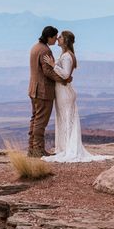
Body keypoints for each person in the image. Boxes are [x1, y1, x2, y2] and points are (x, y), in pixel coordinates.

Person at [42, 30, 114, 163]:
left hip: (65, 93)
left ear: (66, 41)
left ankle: (70, 149)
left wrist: (53, 66)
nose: (58, 38)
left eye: (60, 37)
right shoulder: (64, 55)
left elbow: (66, 75)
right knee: (63, 119)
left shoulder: (67, 57)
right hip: (61, 91)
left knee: (67, 119)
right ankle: (64, 148)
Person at [27, 26, 70, 157]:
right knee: (41, 121)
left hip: (33, 89)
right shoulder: (45, 50)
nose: (56, 39)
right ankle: (38, 150)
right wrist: (64, 80)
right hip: (43, 91)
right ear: (49, 37)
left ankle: (32, 148)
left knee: (34, 119)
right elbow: (48, 71)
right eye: (55, 37)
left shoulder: (35, 47)